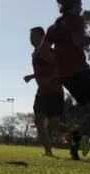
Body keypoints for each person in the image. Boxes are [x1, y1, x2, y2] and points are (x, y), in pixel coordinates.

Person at [38, 0, 90, 163]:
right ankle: (76, 135)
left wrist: (59, 62)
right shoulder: (75, 20)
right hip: (80, 70)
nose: (81, 7)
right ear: (75, 5)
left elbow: (42, 50)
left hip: (65, 76)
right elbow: (79, 42)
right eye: (80, 4)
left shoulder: (54, 26)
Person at [23, 26, 64, 158]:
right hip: (41, 92)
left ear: (42, 37)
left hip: (54, 91)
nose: (31, 39)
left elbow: (60, 69)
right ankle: (48, 152)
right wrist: (32, 76)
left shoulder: (49, 52)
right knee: (39, 121)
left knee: (54, 124)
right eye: (30, 37)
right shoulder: (34, 54)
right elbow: (42, 71)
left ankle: (77, 133)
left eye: (34, 36)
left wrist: (49, 79)